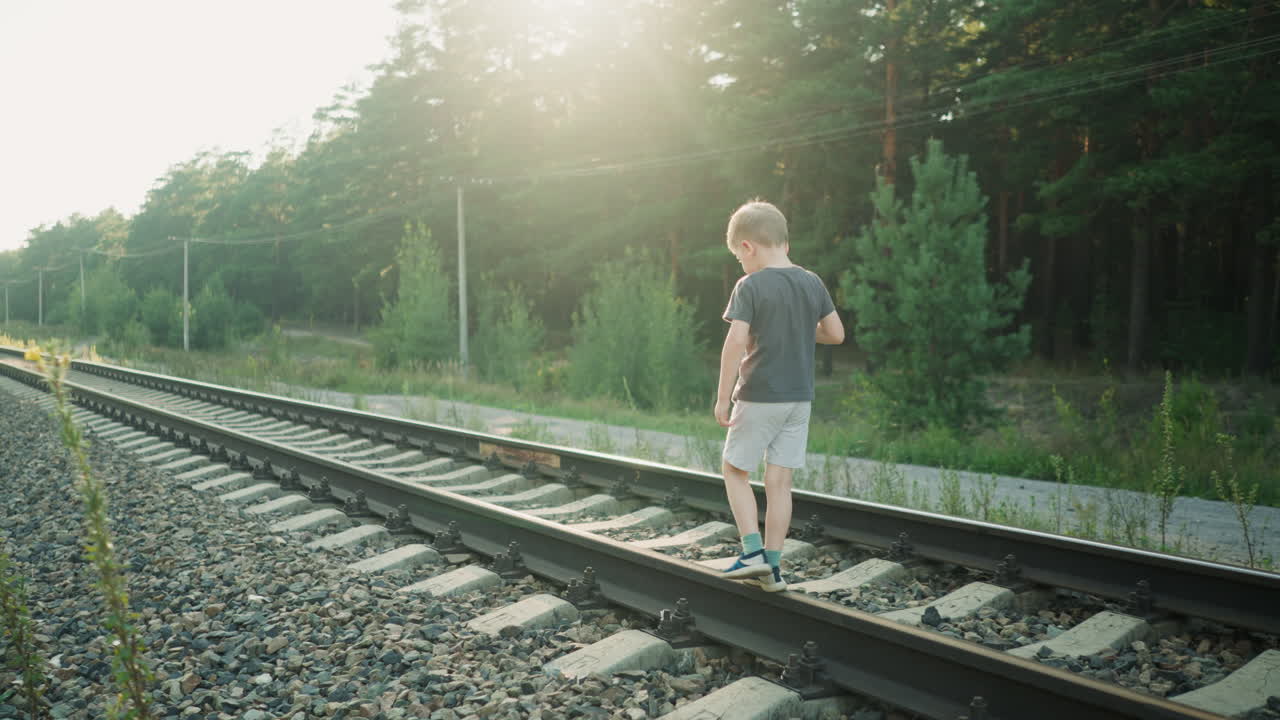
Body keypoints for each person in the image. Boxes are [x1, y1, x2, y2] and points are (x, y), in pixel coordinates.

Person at [714, 200, 844, 592]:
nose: (741, 264)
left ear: (748, 246)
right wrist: (800, 332)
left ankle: (751, 552)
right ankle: (772, 569)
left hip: (759, 394)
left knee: (735, 470)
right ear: (784, 243)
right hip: (799, 399)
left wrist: (723, 398)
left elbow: (736, 342)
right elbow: (836, 334)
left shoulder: (750, 285)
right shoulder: (811, 281)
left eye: (739, 257)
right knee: (780, 484)